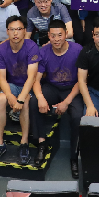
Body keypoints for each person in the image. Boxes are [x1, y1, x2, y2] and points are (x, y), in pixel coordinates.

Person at [27, 25, 85, 172]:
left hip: (72, 88)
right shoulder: (44, 51)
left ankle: (75, 156)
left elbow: (82, 80)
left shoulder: (77, 50)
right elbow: (36, 79)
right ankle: (42, 144)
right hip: (52, 87)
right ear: (49, 36)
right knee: (33, 101)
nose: (56, 39)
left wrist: (66, 102)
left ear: (66, 34)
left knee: (77, 115)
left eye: (60, 35)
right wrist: (40, 97)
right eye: (53, 35)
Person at [0, 17, 41, 165]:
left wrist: (20, 99)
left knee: (25, 103)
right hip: (11, 84)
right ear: (7, 31)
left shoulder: (32, 47)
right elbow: (1, 78)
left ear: (24, 31)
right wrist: (10, 96)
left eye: (19, 29)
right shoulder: (1, 50)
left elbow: (31, 77)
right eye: (12, 29)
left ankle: (24, 143)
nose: (15, 33)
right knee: (0, 100)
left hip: (28, 85)